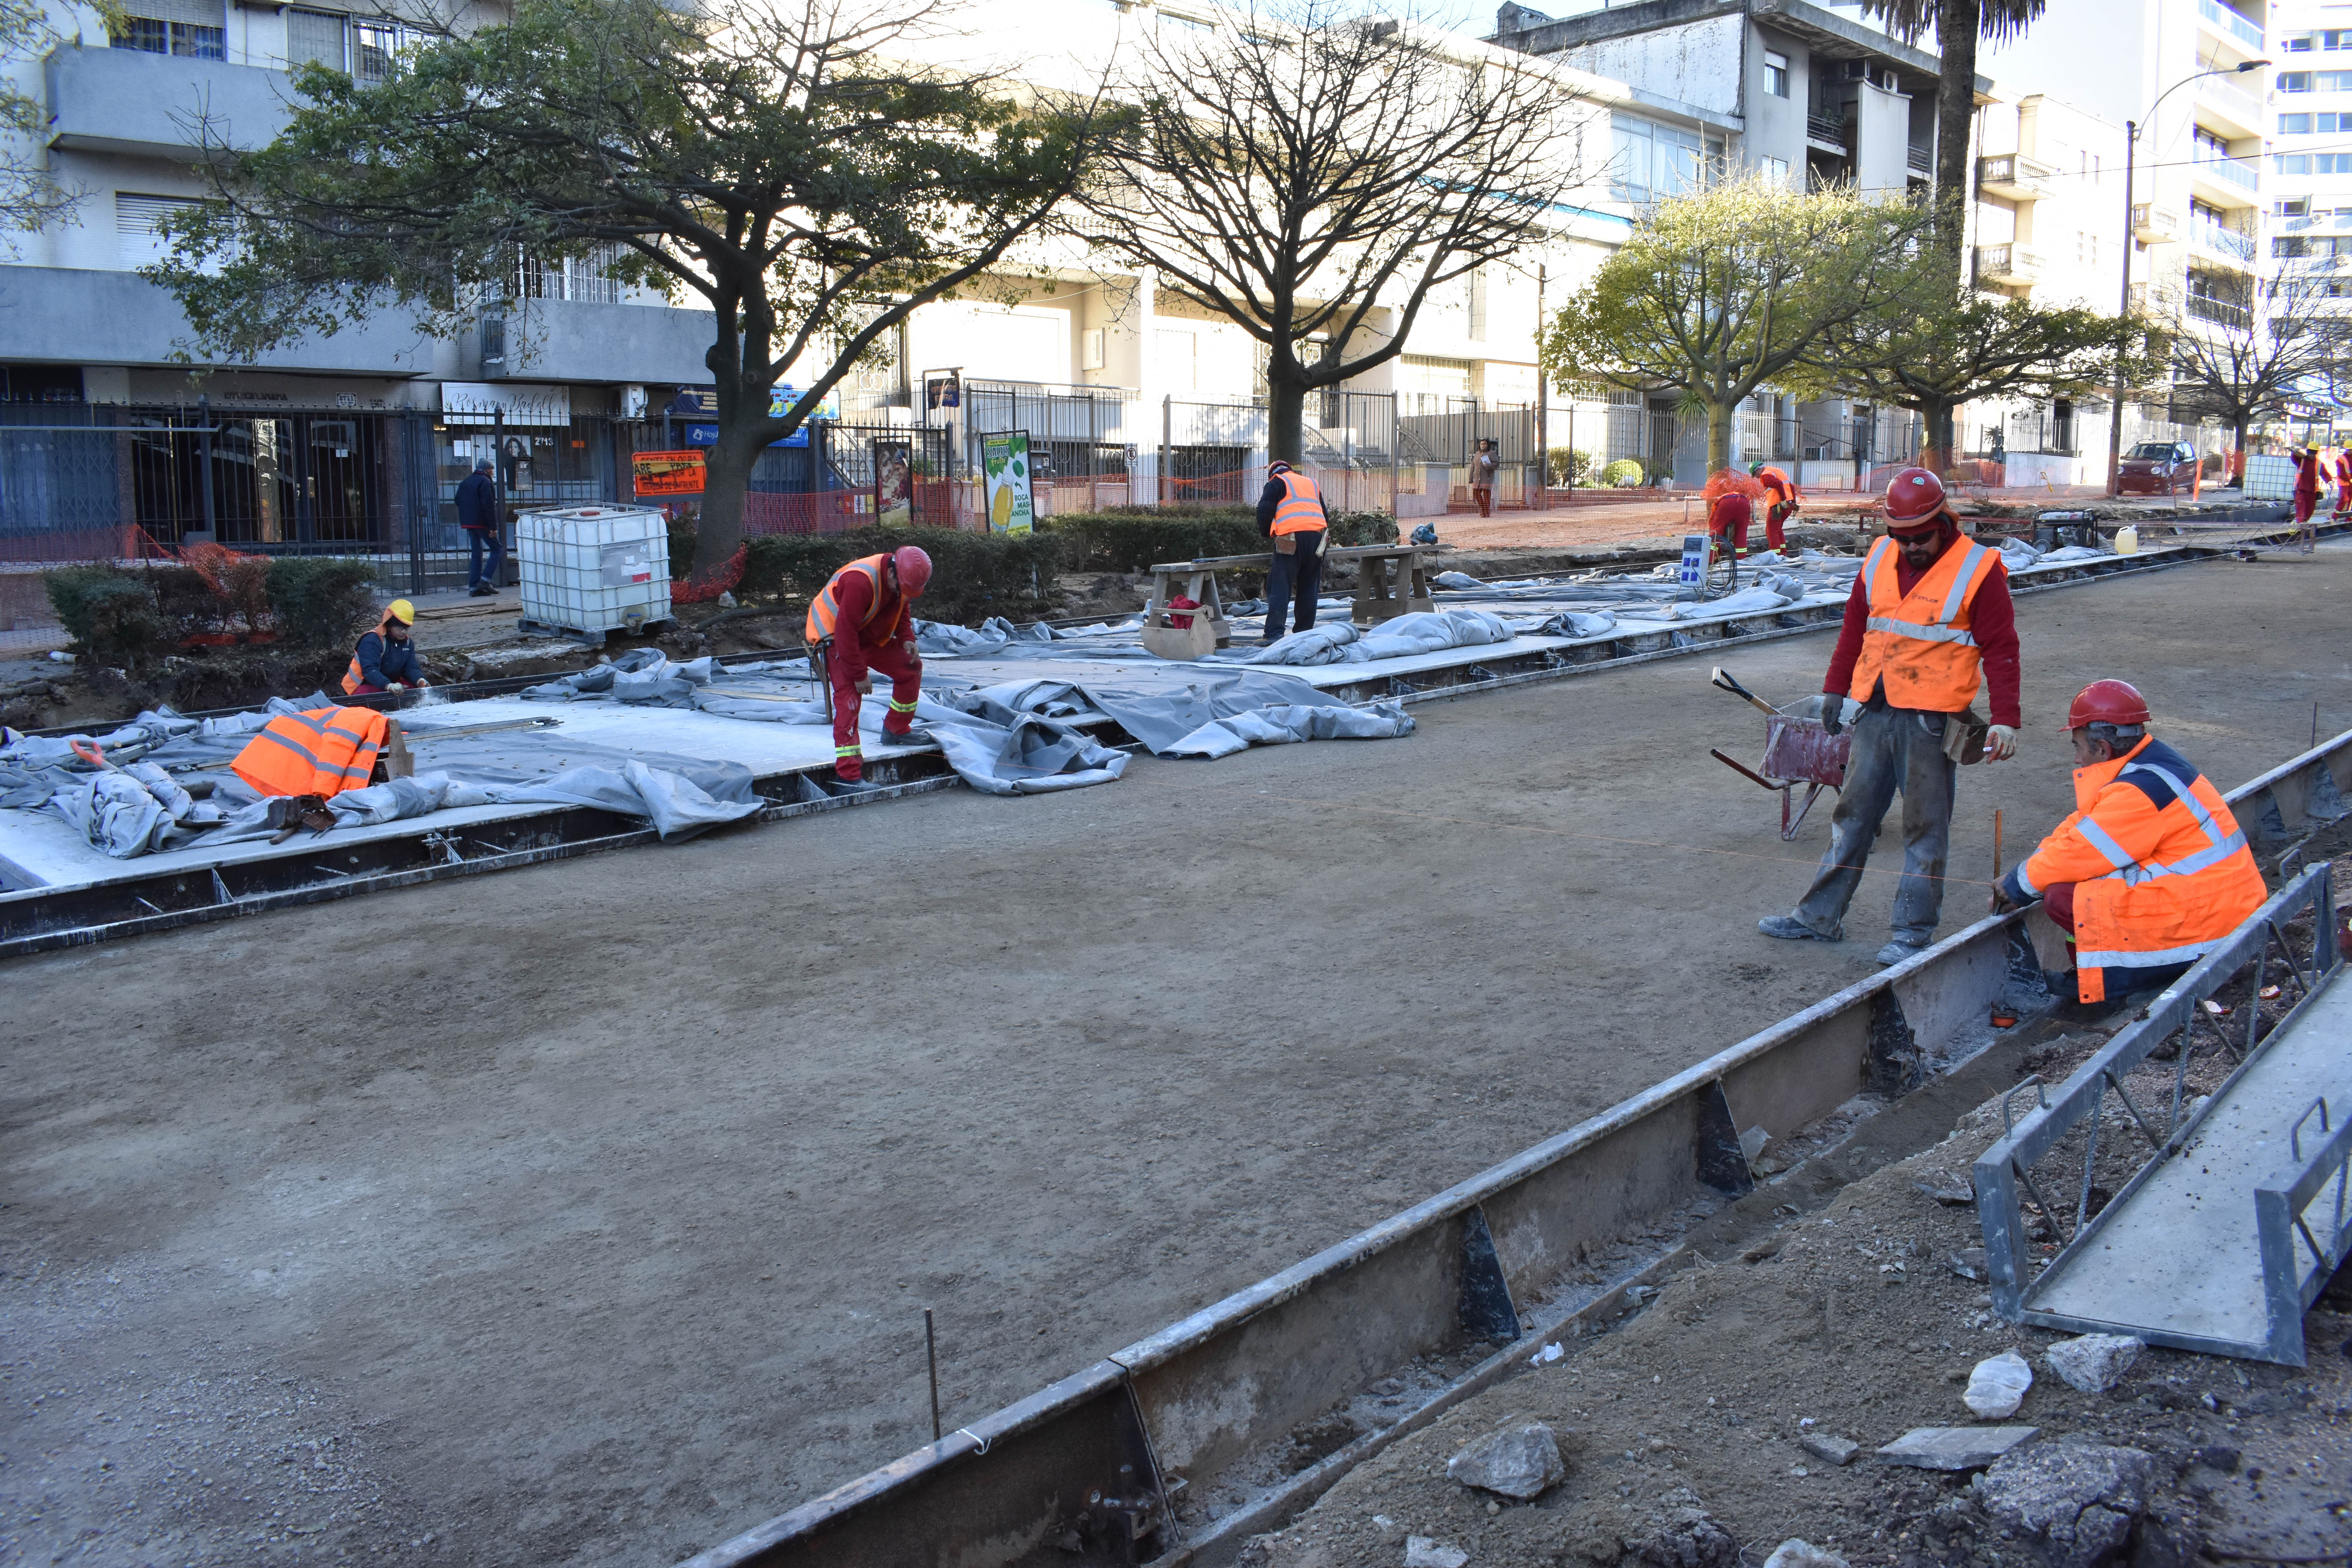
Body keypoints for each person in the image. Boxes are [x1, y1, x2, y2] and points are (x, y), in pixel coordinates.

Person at [1758, 466, 2022, 965]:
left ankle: (1912, 933)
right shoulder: (1881, 556)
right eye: (1899, 537)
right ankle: (1817, 917)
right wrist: (1835, 689)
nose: (1910, 547)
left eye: (1920, 538)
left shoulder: (1979, 568)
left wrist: (2006, 717)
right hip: (1875, 710)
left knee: (1925, 829)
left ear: (1944, 521)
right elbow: (1856, 626)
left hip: (1931, 720)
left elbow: (2003, 648)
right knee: (1852, 818)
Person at [1990, 680, 2265, 1007]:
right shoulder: (2152, 764)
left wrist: (2017, 887)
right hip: (2226, 905)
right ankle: (2091, 967)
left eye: (2078, 747)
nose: (2077, 759)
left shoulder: (2136, 791)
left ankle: (2120, 979)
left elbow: (2081, 852)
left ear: (2103, 748)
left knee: (2065, 898)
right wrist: (2026, 872)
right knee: (2067, 879)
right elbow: (2082, 828)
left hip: (2210, 926)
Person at [805, 545, 932, 789]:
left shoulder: (901, 579)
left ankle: (896, 729)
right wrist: (859, 674)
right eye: (900, 588)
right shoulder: (860, 582)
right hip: (835, 638)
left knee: (910, 668)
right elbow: (845, 633)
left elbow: (901, 610)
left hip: (864, 635)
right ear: (893, 573)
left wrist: (907, 638)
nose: (902, 593)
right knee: (849, 698)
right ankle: (848, 775)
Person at [1256, 459, 1329, 643]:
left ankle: (1274, 634)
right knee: (1309, 587)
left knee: (1280, 585)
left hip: (1290, 539)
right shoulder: (1311, 483)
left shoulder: (1276, 483)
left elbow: (1264, 512)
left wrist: (1266, 533)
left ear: (1273, 473)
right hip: (1318, 539)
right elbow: (1325, 515)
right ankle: (1304, 635)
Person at [343, 599, 429, 696]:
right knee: (371, 699)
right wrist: (388, 685)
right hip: (361, 686)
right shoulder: (371, 640)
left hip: (389, 684)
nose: (404, 632)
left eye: (407, 628)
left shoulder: (408, 643)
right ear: (389, 625)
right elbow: (370, 670)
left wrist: (420, 680)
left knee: (417, 691)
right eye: (400, 628)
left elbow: (411, 667)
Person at [456, 457, 503, 597]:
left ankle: (474, 587)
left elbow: (458, 500)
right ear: (488, 470)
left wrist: (468, 513)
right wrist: (493, 528)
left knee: (477, 553)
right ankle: (486, 580)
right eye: (492, 471)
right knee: (498, 549)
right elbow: (489, 506)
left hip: (468, 523)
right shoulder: (486, 482)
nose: (493, 473)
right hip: (482, 523)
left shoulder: (466, 482)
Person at [1750, 461, 1802, 554]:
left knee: (1771, 530)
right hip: (1787, 506)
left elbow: (1778, 484)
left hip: (1778, 507)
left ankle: (1775, 556)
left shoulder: (1765, 475)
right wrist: (1793, 503)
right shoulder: (1778, 471)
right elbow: (1791, 487)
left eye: (1755, 475)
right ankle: (1783, 553)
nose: (1757, 478)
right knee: (1778, 529)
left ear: (1757, 471)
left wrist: (1783, 500)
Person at [1708, 485, 1753, 563]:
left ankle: (1709, 560)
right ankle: (1741, 560)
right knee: (1741, 532)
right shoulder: (1738, 496)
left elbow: (1714, 528)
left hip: (1726, 504)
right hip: (1744, 503)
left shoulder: (1719, 504)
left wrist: (1718, 555)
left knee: (1715, 534)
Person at [1470, 438, 1499, 518]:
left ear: (1488, 445)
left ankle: (1486, 512)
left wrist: (1489, 466)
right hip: (1477, 478)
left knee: (1487, 496)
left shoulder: (1492, 454)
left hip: (1487, 478)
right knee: (1476, 494)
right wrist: (1471, 478)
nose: (1483, 446)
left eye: (1484, 444)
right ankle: (1484, 510)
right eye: (1481, 444)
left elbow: (1497, 464)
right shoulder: (1477, 454)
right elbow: (1472, 467)